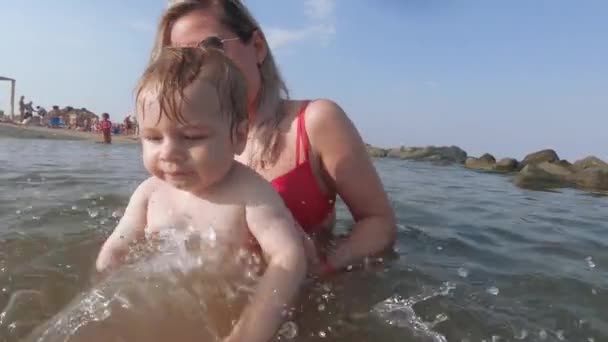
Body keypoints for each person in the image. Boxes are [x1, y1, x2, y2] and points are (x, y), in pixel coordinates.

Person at [151, 0, 397, 276]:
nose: (199, 71)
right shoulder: (173, 146)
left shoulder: (316, 122)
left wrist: (322, 267)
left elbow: (379, 222)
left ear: (257, 46)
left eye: (212, 48)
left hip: (303, 304)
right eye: (182, 58)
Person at [95, 47, 308, 342]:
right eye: (153, 138)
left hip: (231, 319)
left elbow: (288, 256)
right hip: (166, 312)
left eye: (192, 137)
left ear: (239, 136)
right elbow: (117, 247)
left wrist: (249, 332)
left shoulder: (251, 194)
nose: (168, 152)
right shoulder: (149, 193)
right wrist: (107, 287)